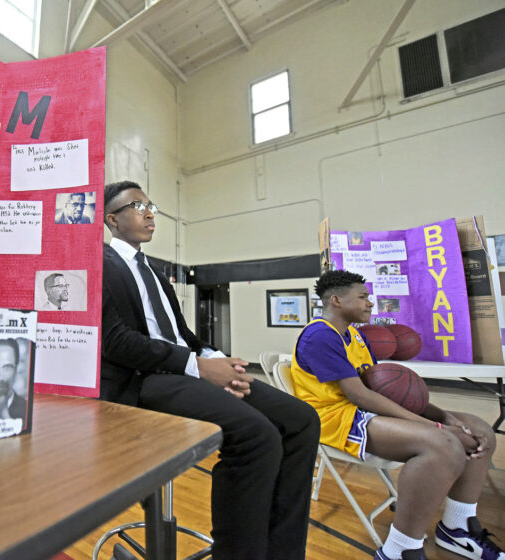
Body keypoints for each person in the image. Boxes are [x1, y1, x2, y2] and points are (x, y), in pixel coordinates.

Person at [100, 180, 320, 559]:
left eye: (151, 204)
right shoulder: (100, 264)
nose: (150, 212)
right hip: (144, 380)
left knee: (301, 419)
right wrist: (198, 367)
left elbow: (182, 334)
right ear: (112, 220)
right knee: (256, 436)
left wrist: (219, 360)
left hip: (185, 368)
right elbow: (116, 341)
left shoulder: (151, 271)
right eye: (137, 206)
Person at [291, 270, 502, 560]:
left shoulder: (354, 335)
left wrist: (445, 417)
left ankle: (458, 527)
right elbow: (360, 395)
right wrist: (439, 428)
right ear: (337, 300)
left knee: (479, 429)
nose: (370, 303)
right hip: (334, 420)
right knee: (441, 444)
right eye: (363, 297)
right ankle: (400, 550)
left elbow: (385, 388)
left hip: (362, 411)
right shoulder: (319, 336)